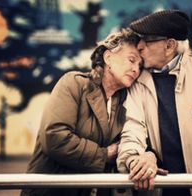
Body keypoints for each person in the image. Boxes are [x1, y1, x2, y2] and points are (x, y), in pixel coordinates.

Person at [117, 9, 192, 196]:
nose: (139, 46)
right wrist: (135, 160)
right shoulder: (137, 82)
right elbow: (133, 128)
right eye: (139, 39)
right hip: (156, 190)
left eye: (147, 40)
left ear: (169, 45)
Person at [20, 29, 142, 196]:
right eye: (131, 60)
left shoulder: (128, 101)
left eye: (140, 65)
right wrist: (104, 155)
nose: (136, 69)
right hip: (51, 191)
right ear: (108, 58)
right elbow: (54, 137)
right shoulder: (74, 83)